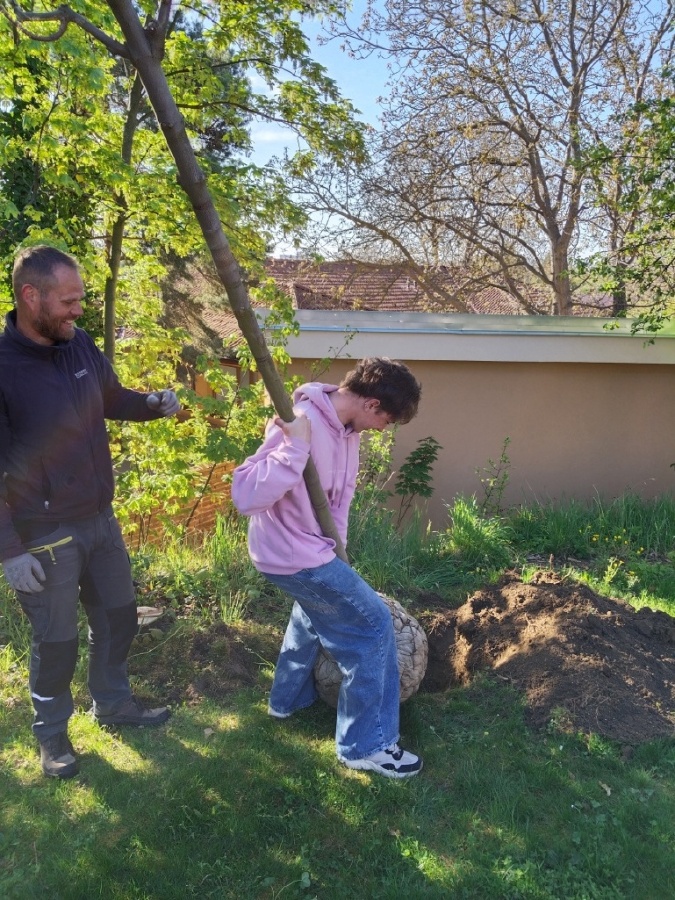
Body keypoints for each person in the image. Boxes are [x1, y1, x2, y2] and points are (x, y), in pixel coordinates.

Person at [0, 245, 181, 779]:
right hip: (45, 534)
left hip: (100, 520)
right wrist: (9, 552)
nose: (78, 311)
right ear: (31, 296)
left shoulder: (77, 343)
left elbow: (111, 398)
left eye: (80, 300)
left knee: (118, 618)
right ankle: (52, 734)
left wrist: (150, 404)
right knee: (57, 642)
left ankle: (114, 703)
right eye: (68, 301)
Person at [231, 357, 424, 778]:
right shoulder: (300, 422)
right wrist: (295, 446)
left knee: (312, 613)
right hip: (289, 555)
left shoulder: (348, 431)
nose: (384, 429)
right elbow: (245, 496)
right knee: (373, 626)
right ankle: (366, 746)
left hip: (314, 551)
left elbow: (340, 499)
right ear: (372, 404)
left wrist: (339, 551)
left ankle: (287, 701)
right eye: (388, 420)